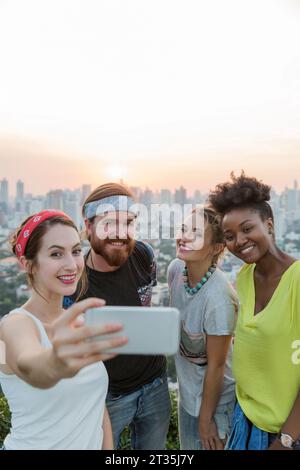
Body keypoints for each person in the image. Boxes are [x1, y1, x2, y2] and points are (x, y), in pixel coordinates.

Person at [0, 210, 127, 450]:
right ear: (28, 264)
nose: (71, 264)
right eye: (56, 253)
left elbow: (95, 405)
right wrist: (55, 361)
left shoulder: (77, 324)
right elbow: (33, 367)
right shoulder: (14, 325)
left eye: (76, 251)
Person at [64, 183, 171, 450]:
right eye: (109, 224)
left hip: (155, 383)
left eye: (128, 223)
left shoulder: (144, 254)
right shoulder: (74, 285)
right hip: (107, 397)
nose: (120, 233)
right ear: (88, 226)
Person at [209, 172, 300, 450]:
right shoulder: (245, 277)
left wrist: (286, 438)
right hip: (247, 421)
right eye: (229, 236)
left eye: (247, 229)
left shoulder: (296, 280)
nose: (239, 241)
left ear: (269, 225)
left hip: (286, 434)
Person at [167, 206, 237, 450]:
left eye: (195, 233)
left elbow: (217, 366)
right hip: (188, 398)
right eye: (184, 229)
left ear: (217, 248)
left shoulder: (218, 298)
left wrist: (206, 422)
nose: (184, 236)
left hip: (217, 406)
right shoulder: (176, 270)